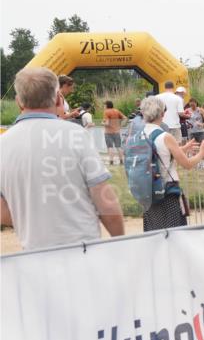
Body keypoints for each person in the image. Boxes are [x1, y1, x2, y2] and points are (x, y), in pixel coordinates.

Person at [0, 67, 124, 250]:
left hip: (34, 253)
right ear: (58, 98)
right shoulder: (77, 135)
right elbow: (105, 200)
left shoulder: (3, 143)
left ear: (19, 102)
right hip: (83, 249)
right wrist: (120, 243)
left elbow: (3, 211)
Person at [137, 96, 204, 231]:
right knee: (174, 236)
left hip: (148, 192)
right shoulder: (165, 137)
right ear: (162, 114)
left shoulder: (139, 134)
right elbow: (187, 164)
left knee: (154, 235)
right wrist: (202, 153)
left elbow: (158, 154)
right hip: (167, 193)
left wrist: (181, 149)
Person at [103, 100, 127, 165]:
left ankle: (111, 161)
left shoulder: (106, 112)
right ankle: (121, 160)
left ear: (107, 105)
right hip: (116, 131)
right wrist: (121, 125)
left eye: (104, 105)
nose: (103, 106)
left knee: (110, 147)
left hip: (108, 132)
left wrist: (102, 123)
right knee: (118, 146)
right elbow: (125, 118)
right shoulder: (116, 111)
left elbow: (107, 123)